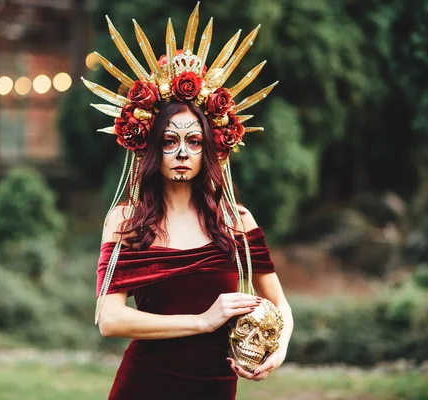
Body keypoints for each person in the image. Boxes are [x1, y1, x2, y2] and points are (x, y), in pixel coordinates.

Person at [85, 4, 293, 399]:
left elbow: (280, 306)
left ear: (209, 149)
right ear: (152, 148)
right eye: (169, 141)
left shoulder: (237, 220)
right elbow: (109, 320)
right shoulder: (126, 220)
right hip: (144, 384)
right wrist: (203, 321)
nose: (182, 152)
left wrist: (277, 352)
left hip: (215, 386)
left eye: (193, 141)